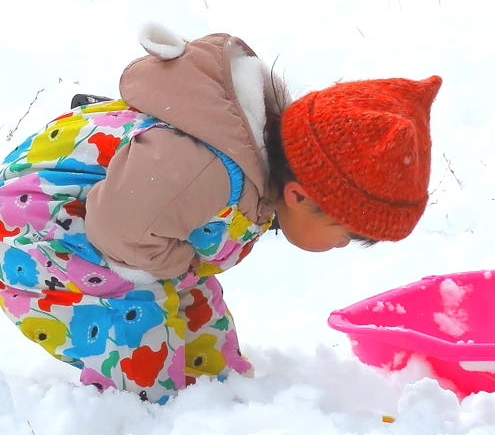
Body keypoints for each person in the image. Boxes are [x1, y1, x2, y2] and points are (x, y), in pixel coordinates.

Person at [0, 24, 441, 402]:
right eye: (343, 235)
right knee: (139, 337)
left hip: (128, 237)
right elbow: (121, 232)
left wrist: (182, 268)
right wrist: (180, 265)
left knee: (203, 334)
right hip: (40, 235)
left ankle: (217, 400)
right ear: (298, 196)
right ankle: (138, 415)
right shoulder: (207, 167)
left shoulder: (255, 162)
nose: (339, 246)